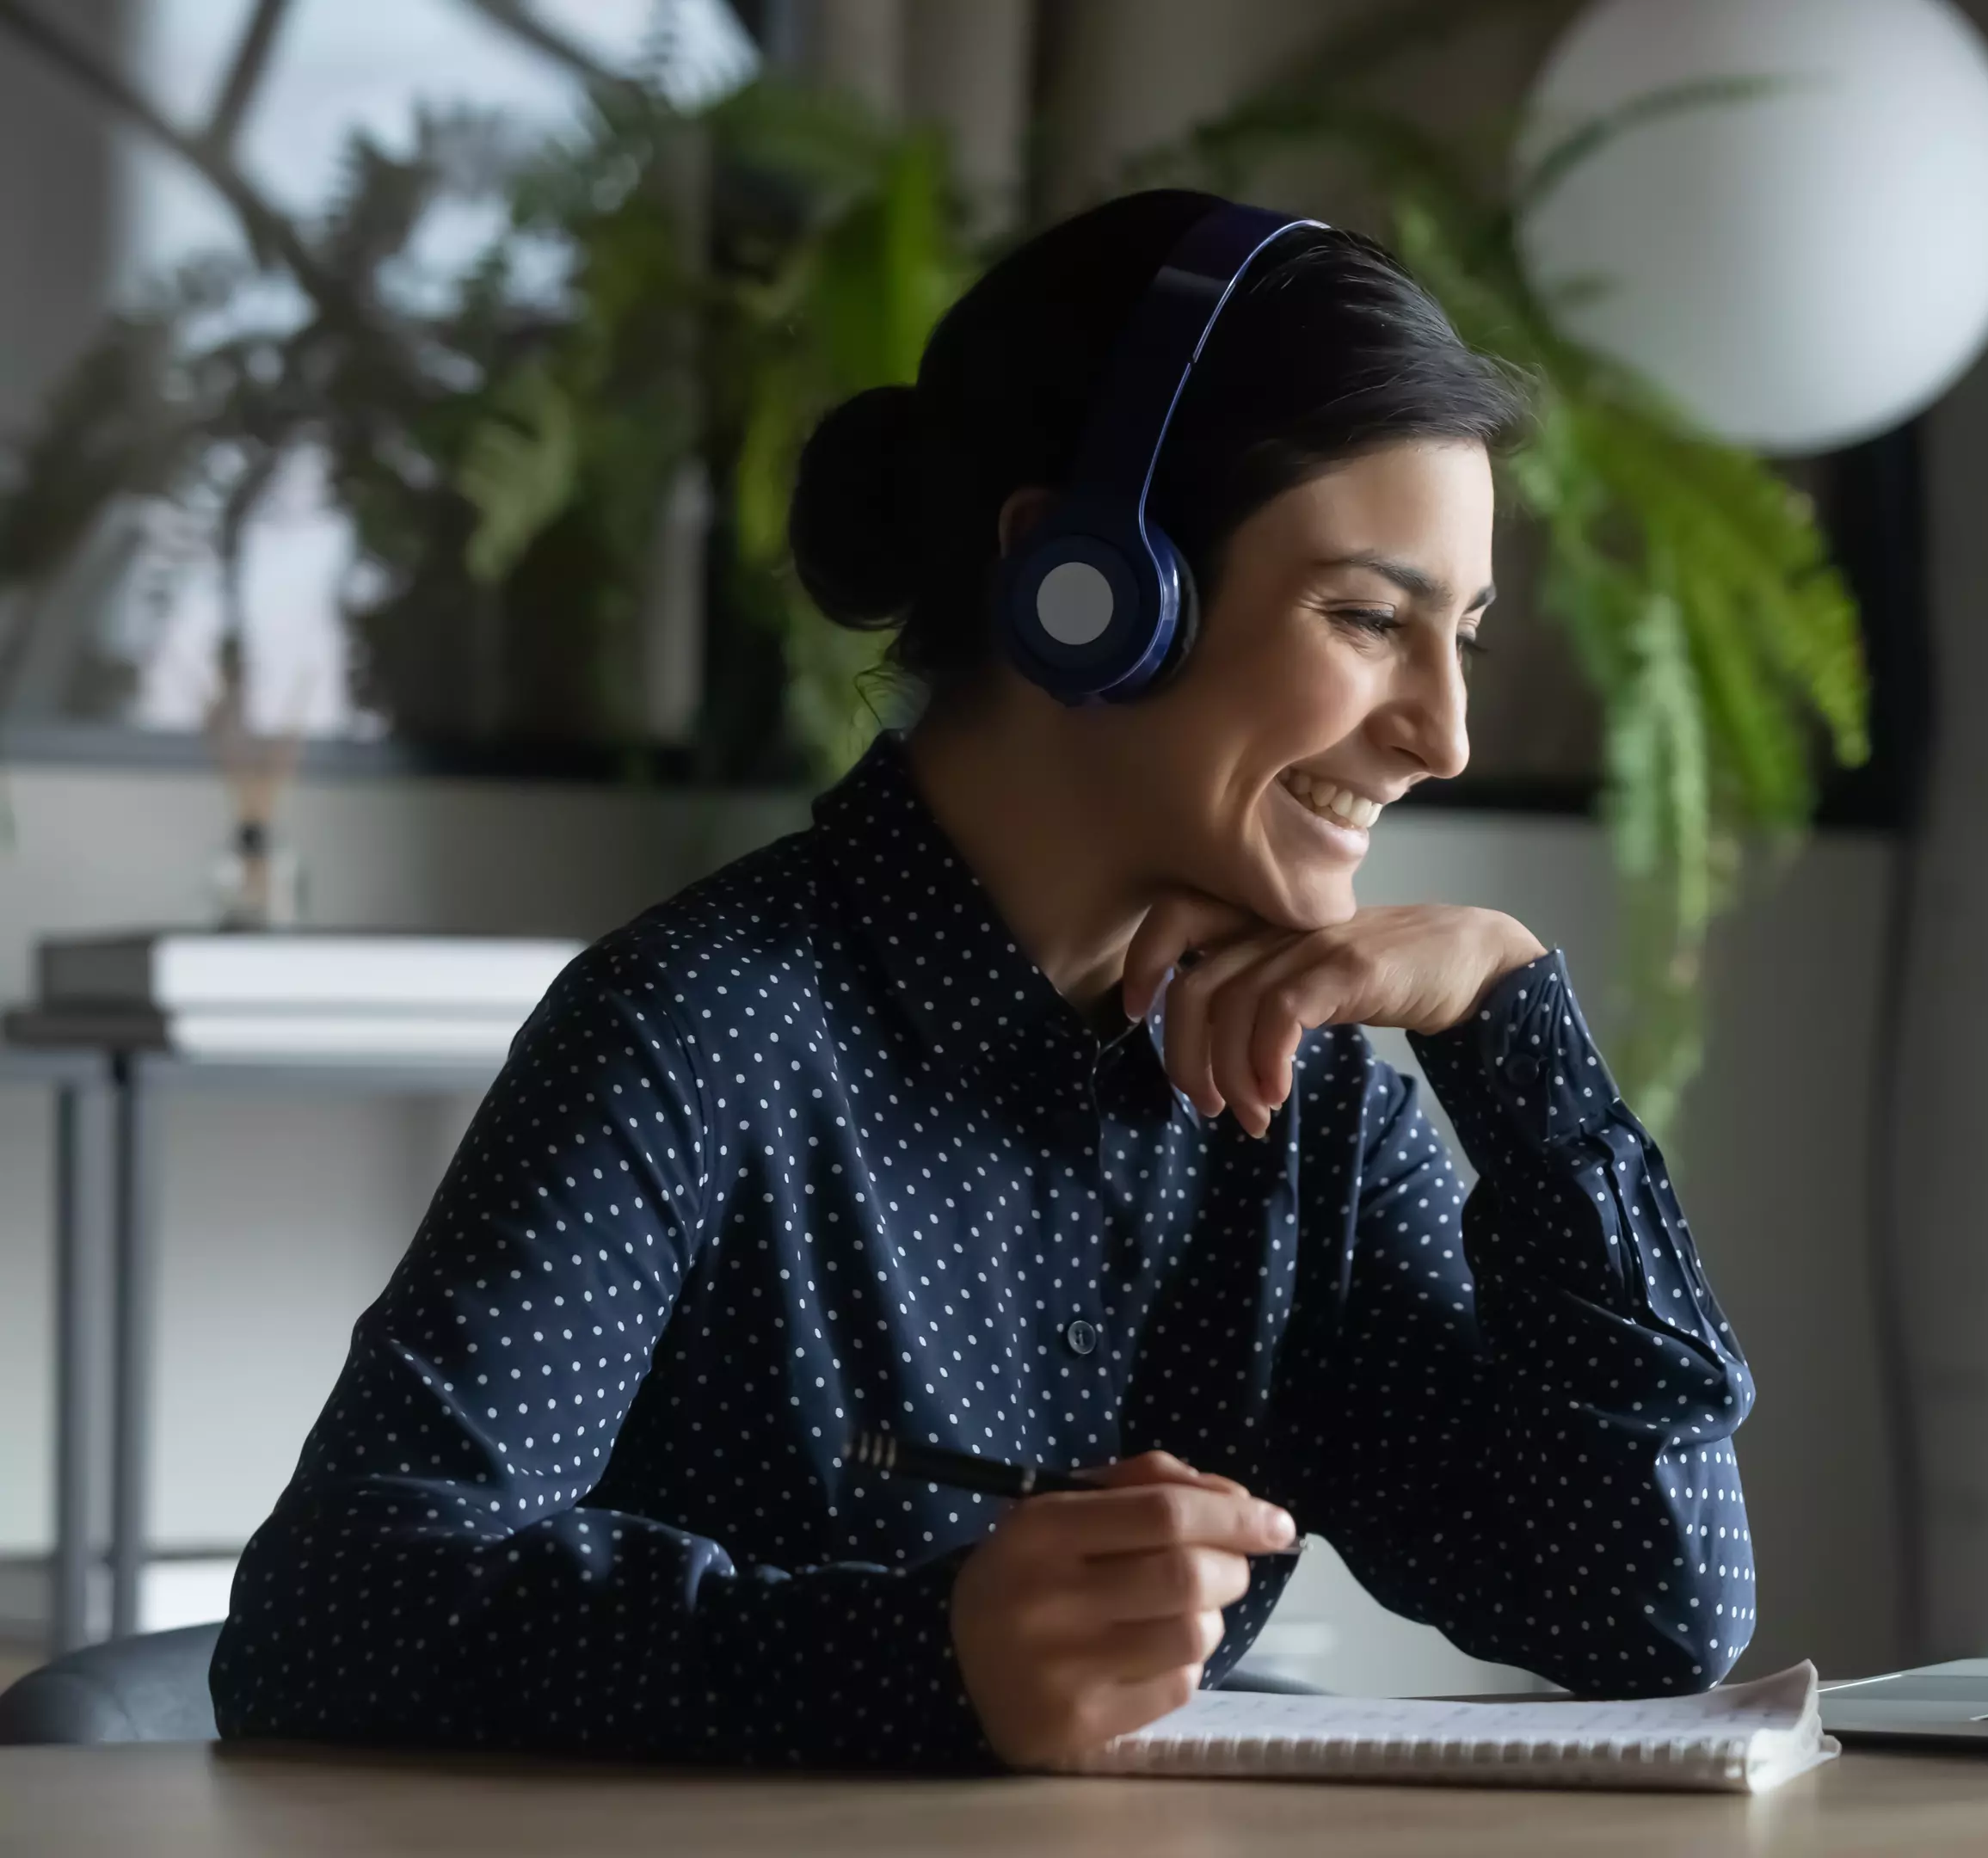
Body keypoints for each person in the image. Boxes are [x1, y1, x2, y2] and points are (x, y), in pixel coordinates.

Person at [210, 191, 1757, 1770]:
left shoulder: (1309, 1096)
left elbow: (1646, 1611)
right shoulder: (703, 1027)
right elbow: (335, 1611)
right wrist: (924, 1659)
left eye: (1463, 640)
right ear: (1083, 591)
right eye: (1367, 618)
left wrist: (1513, 1030)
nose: (1445, 734)